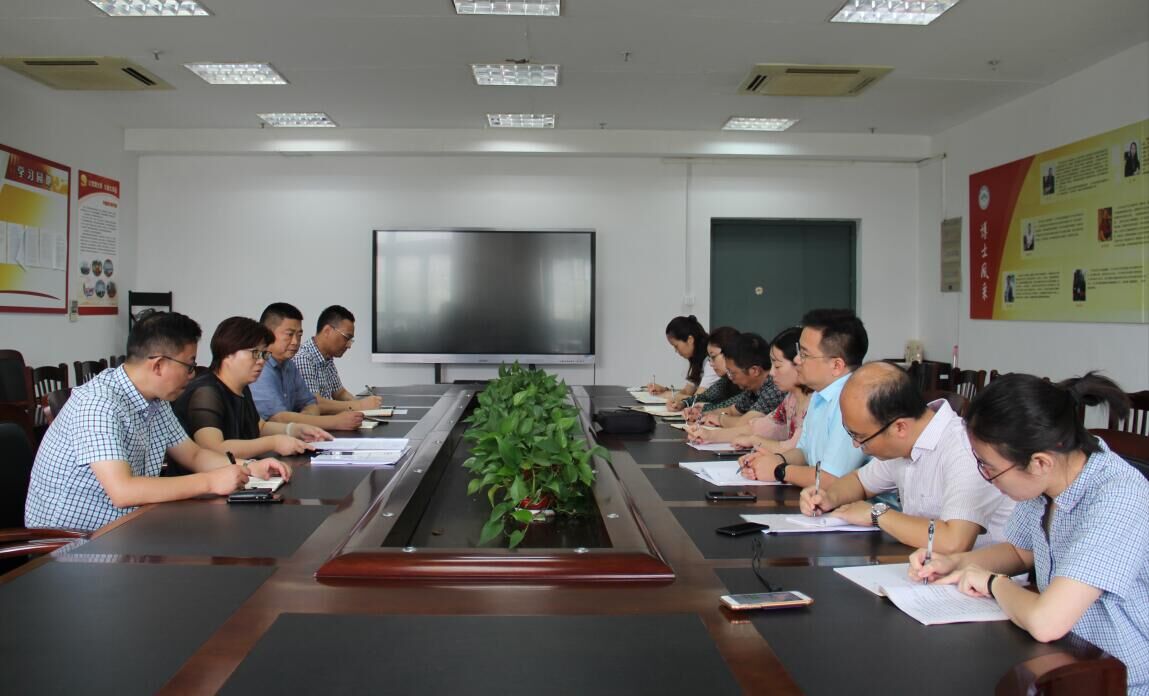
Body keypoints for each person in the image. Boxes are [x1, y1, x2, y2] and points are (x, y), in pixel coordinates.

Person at [911, 373, 1148, 695]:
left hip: (1119, 680)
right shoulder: (1049, 478)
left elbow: (1046, 621)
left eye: (990, 468)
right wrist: (956, 563)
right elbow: (1020, 552)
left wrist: (993, 583)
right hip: (1061, 660)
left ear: (1039, 463)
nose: (986, 477)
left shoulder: (1118, 498)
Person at [24, 312, 292, 532]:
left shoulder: (156, 399)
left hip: (128, 526)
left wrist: (248, 467)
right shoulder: (98, 404)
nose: (192, 375)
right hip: (75, 543)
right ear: (158, 365)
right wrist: (211, 482)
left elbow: (194, 455)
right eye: (189, 366)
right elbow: (123, 491)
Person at [799, 362, 1014, 551]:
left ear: (900, 427)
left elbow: (953, 542)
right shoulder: (904, 442)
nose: (856, 445)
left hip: (984, 576)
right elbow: (860, 482)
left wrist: (877, 514)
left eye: (861, 437)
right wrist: (828, 497)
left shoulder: (964, 450)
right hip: (927, 566)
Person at [174, 317, 332, 467]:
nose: (261, 361)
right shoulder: (206, 392)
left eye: (264, 354)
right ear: (228, 353)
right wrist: (273, 443)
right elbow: (214, 449)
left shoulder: (242, 387)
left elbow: (260, 427)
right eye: (255, 353)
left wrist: (295, 430)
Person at [740, 308, 869, 488]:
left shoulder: (852, 400)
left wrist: (779, 470)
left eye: (805, 355)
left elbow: (832, 479)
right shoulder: (819, 394)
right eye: (798, 352)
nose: (797, 360)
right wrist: (774, 459)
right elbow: (804, 452)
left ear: (836, 365)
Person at [250, 302, 365, 431]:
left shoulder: (289, 365)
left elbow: (311, 404)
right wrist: (335, 421)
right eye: (289, 334)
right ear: (268, 333)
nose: (295, 342)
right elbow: (278, 418)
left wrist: (306, 420)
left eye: (299, 335)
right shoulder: (259, 368)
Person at [692, 326, 807, 449]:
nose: (772, 372)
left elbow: (797, 450)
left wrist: (754, 440)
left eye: (777, 366)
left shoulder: (808, 401)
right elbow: (757, 428)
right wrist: (709, 435)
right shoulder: (790, 399)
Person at [687, 332, 784, 439]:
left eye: (732, 373)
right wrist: (702, 414)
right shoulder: (752, 388)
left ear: (754, 371)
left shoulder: (775, 388)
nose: (730, 377)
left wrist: (719, 419)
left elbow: (745, 423)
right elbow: (732, 411)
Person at [293, 305, 384, 414]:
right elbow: (315, 403)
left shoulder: (327, 358)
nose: (349, 345)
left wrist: (365, 406)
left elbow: (340, 393)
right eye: (346, 337)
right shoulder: (303, 358)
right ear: (327, 331)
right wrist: (359, 405)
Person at [646, 316, 717, 402]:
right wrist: (665, 390)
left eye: (676, 346)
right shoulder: (697, 359)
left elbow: (696, 399)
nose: (676, 351)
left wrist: (671, 395)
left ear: (690, 340)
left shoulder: (711, 362)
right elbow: (687, 392)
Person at [672, 326, 741, 415]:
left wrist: (706, 408)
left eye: (713, 357)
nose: (711, 364)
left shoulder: (747, 381)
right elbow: (704, 396)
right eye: (709, 358)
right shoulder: (725, 380)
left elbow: (734, 405)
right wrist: (683, 403)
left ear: (730, 352)